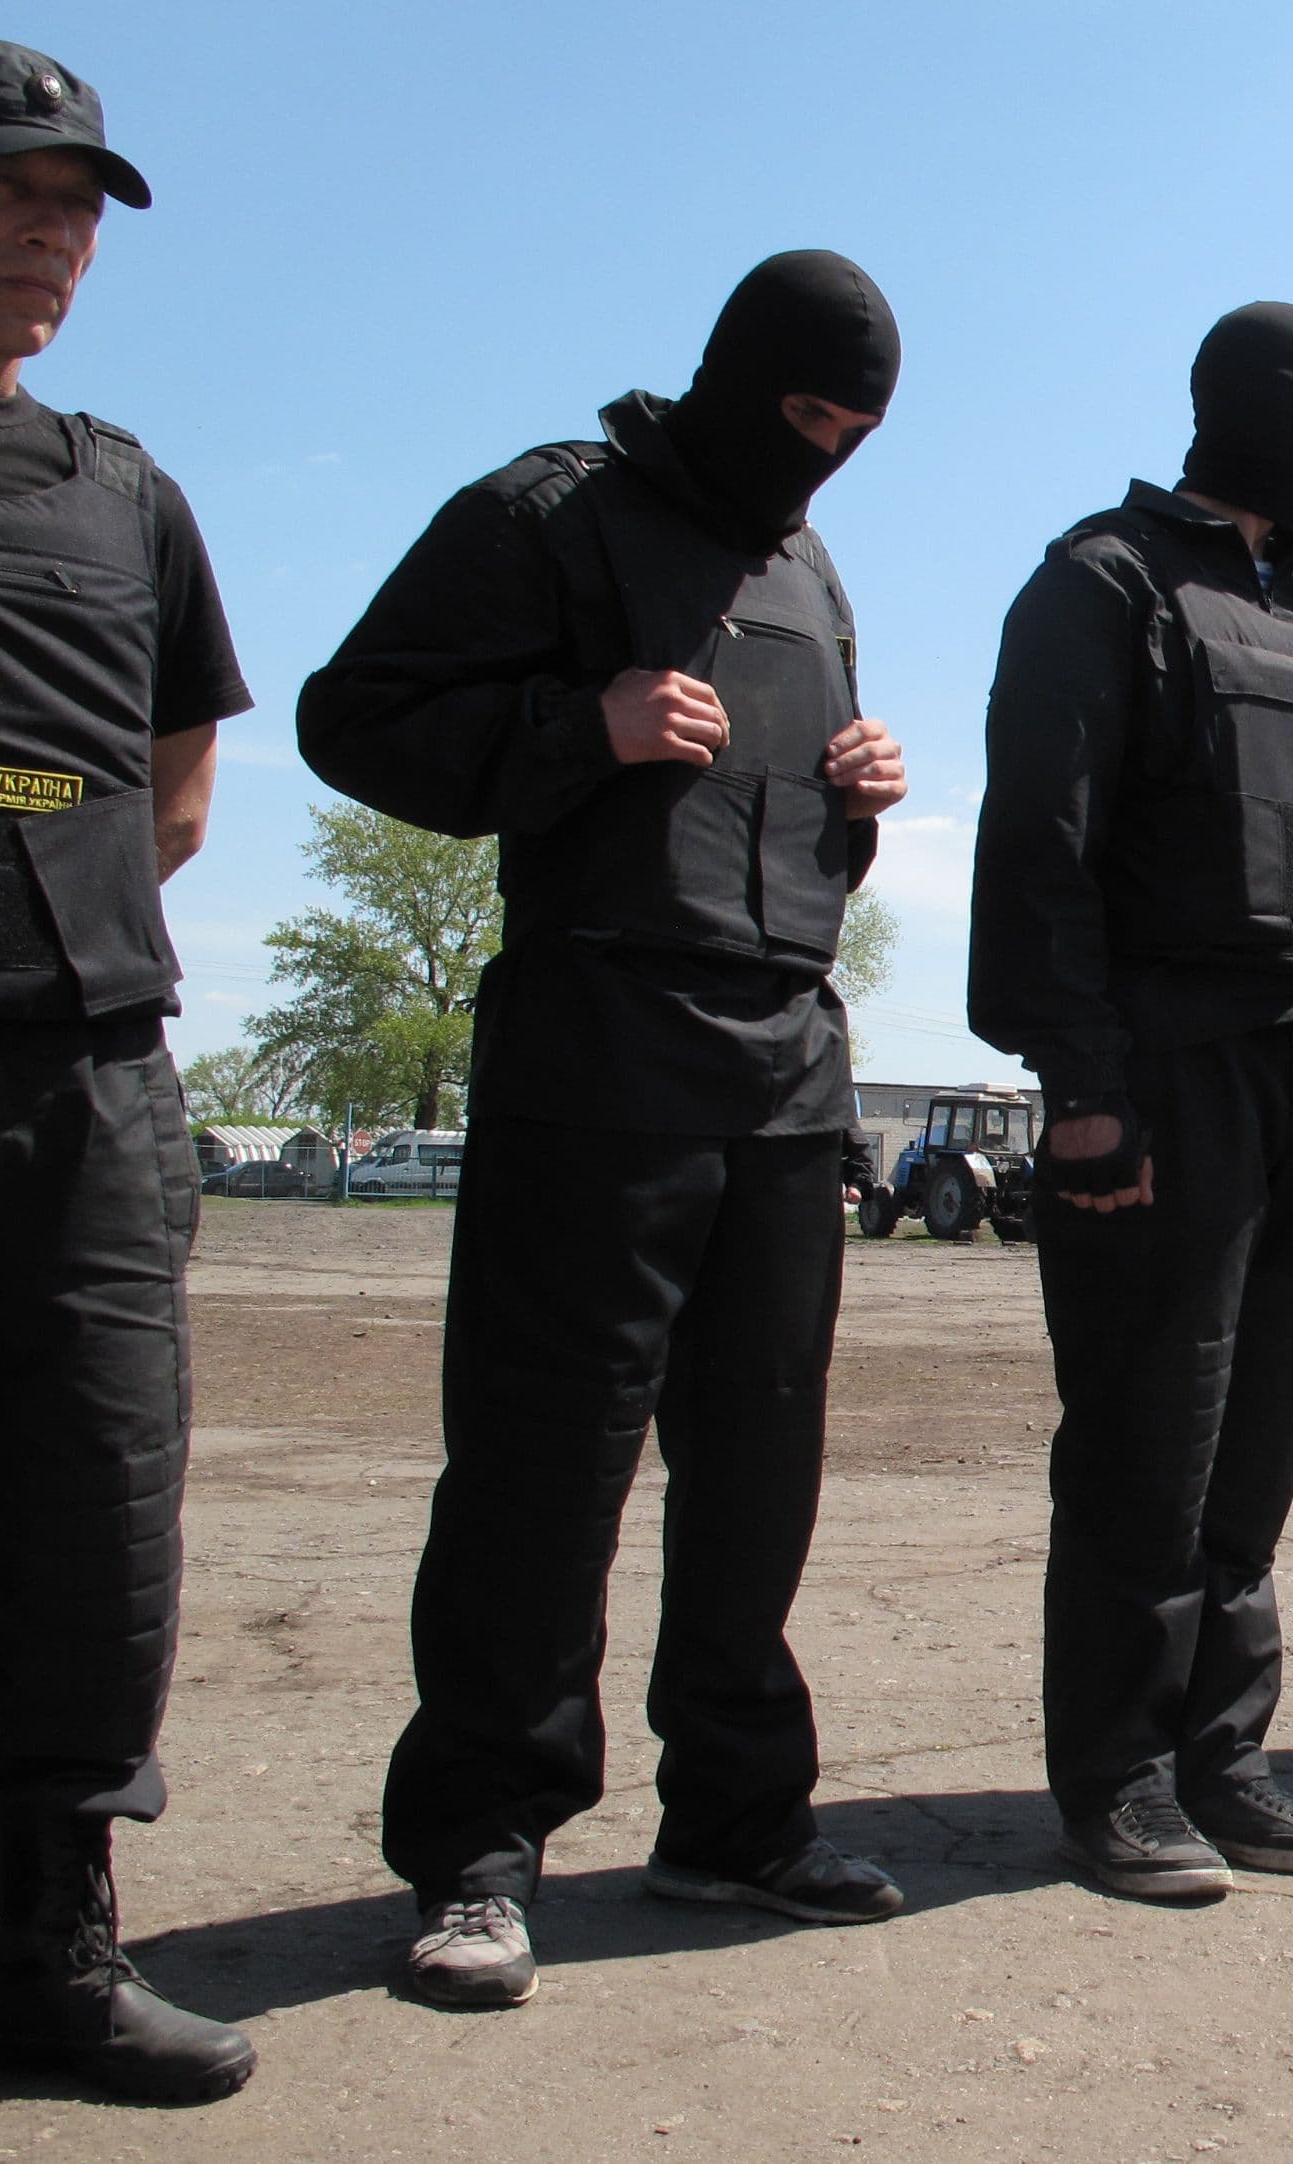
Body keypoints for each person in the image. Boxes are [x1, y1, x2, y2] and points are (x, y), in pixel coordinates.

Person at [298, 251, 913, 2009]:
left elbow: (768, 823)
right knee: (542, 1466)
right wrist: (585, 722)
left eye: (860, 431)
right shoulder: (551, 510)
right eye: (806, 414)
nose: (826, 455)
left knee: (761, 1465)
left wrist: (851, 801)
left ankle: (736, 1817)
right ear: (734, 378)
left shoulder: (809, 563)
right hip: (597, 1049)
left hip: (789, 1060)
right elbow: (359, 720)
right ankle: (482, 1849)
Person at [0, 38, 255, 2101]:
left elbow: (179, 779)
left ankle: (59, 1951)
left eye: (81, 206)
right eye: (5, 183)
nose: (51, 231)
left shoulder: (124, 491)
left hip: (91, 1080)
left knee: (100, 1532)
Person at [968, 302, 1293, 1901]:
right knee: (1152, 1437)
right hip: (1164, 1076)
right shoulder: (1104, 582)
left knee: (1257, 1445)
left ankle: (1222, 1755)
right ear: (1265, 408)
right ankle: (1120, 1777)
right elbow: (1040, 848)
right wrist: (1081, 1090)